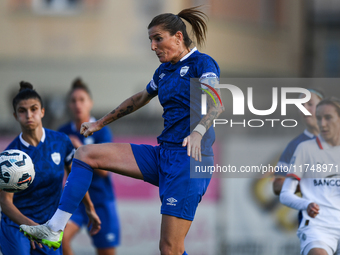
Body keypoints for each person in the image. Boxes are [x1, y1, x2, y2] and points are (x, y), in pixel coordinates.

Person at [20, 6, 224, 255]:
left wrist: (198, 131)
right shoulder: (163, 71)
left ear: (178, 37)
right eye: (150, 40)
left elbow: (216, 103)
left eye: (158, 39)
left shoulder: (202, 63)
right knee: (85, 154)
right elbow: (139, 99)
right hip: (163, 155)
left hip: (190, 161)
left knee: (169, 249)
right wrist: (99, 123)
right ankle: (54, 228)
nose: (152, 46)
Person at [0, 82, 101, 255]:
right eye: (22, 111)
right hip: (17, 227)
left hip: (48, 227)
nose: (29, 115)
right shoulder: (10, 156)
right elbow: (5, 202)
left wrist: (90, 208)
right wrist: (31, 227)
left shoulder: (60, 142)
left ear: (42, 111)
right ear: (15, 116)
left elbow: (75, 179)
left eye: (34, 109)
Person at [58, 78, 119, 255]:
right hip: (75, 201)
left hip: (101, 200)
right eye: (73, 100)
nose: (78, 104)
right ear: (69, 105)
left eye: (82, 100)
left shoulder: (102, 131)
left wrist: (80, 149)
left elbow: (105, 172)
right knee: (60, 241)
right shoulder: (63, 132)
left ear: (90, 103)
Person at [280, 97, 340, 255]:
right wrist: (306, 204)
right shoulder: (305, 149)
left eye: (328, 118)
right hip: (317, 227)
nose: (323, 123)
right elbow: (285, 194)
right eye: (319, 118)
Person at [273, 89, 324, 196]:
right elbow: (277, 185)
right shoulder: (295, 146)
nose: (305, 108)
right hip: (311, 211)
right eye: (301, 105)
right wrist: (303, 185)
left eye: (310, 104)